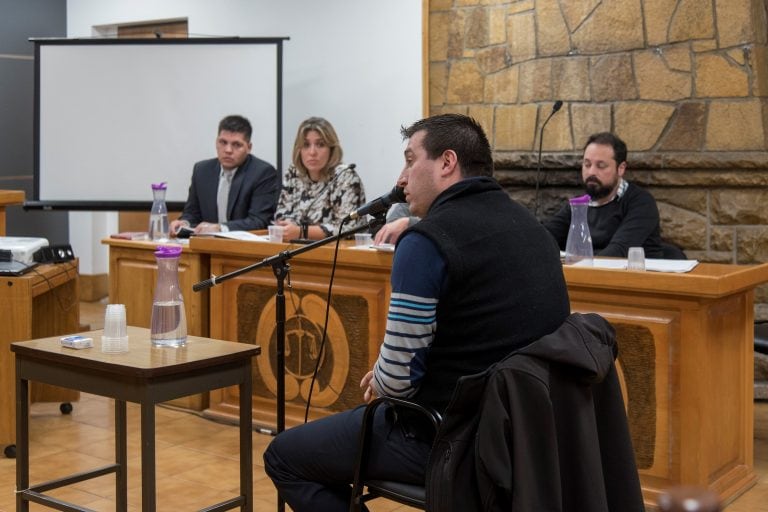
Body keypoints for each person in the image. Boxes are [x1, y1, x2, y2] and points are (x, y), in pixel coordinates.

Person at [263, 113, 571, 511]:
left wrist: (383, 375)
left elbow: (395, 384)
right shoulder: (535, 232)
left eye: (410, 160)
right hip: (529, 439)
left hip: (445, 436)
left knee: (284, 456)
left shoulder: (425, 243)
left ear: (446, 163)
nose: (401, 178)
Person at [543, 132, 665, 257]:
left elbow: (618, 252)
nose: (591, 172)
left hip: (631, 275)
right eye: (587, 164)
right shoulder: (578, 205)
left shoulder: (641, 203)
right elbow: (545, 237)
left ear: (621, 168)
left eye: (601, 166)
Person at [169, 115, 279, 236]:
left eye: (236, 145)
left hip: (242, 248)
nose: (228, 150)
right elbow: (192, 213)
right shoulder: (201, 170)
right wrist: (184, 223)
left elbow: (259, 221)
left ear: (249, 148)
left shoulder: (263, 173)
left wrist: (220, 228)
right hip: (206, 245)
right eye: (223, 142)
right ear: (216, 142)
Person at [273, 117, 366, 240]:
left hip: (341, 252)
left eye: (320, 144)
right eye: (306, 145)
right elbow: (282, 215)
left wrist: (302, 232)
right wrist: (290, 228)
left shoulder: (345, 176)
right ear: (299, 149)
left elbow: (347, 228)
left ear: (331, 149)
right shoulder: (293, 173)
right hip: (297, 249)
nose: (312, 152)